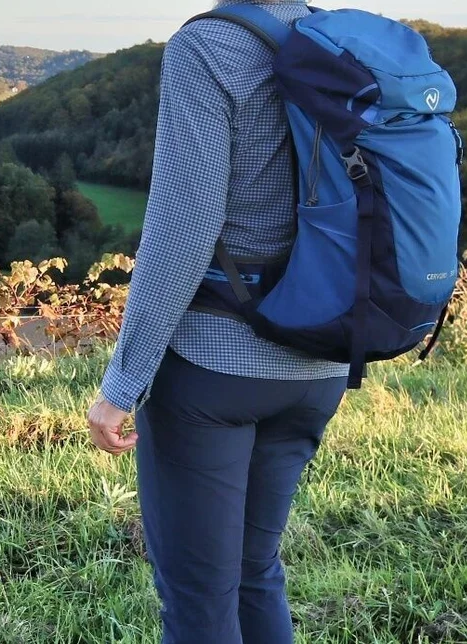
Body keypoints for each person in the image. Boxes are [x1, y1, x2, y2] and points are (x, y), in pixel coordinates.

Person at [85, 1, 352, 643]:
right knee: (255, 569)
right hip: (324, 362)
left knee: (200, 601)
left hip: (216, 371)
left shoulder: (207, 47)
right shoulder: (340, 40)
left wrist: (122, 385)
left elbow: (183, 229)